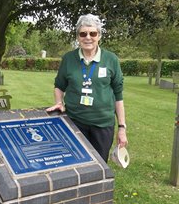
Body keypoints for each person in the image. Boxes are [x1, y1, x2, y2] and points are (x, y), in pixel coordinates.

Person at [47, 14, 127, 162]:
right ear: (78, 37)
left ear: (99, 36)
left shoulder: (111, 60)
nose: (88, 37)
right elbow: (59, 85)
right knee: (74, 163)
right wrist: (59, 102)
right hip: (74, 122)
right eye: (83, 33)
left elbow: (118, 95)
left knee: (99, 165)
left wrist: (122, 128)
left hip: (103, 125)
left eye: (93, 33)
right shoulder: (68, 59)